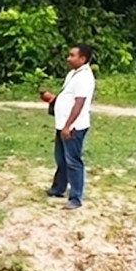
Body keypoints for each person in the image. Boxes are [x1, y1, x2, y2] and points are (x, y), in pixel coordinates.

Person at [42, 43, 95, 209]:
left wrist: (68, 126)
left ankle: (76, 198)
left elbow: (79, 103)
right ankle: (58, 188)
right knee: (61, 158)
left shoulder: (85, 77)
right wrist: (53, 99)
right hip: (62, 124)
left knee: (73, 161)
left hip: (73, 127)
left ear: (83, 58)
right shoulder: (73, 73)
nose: (68, 58)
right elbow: (69, 97)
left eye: (72, 55)